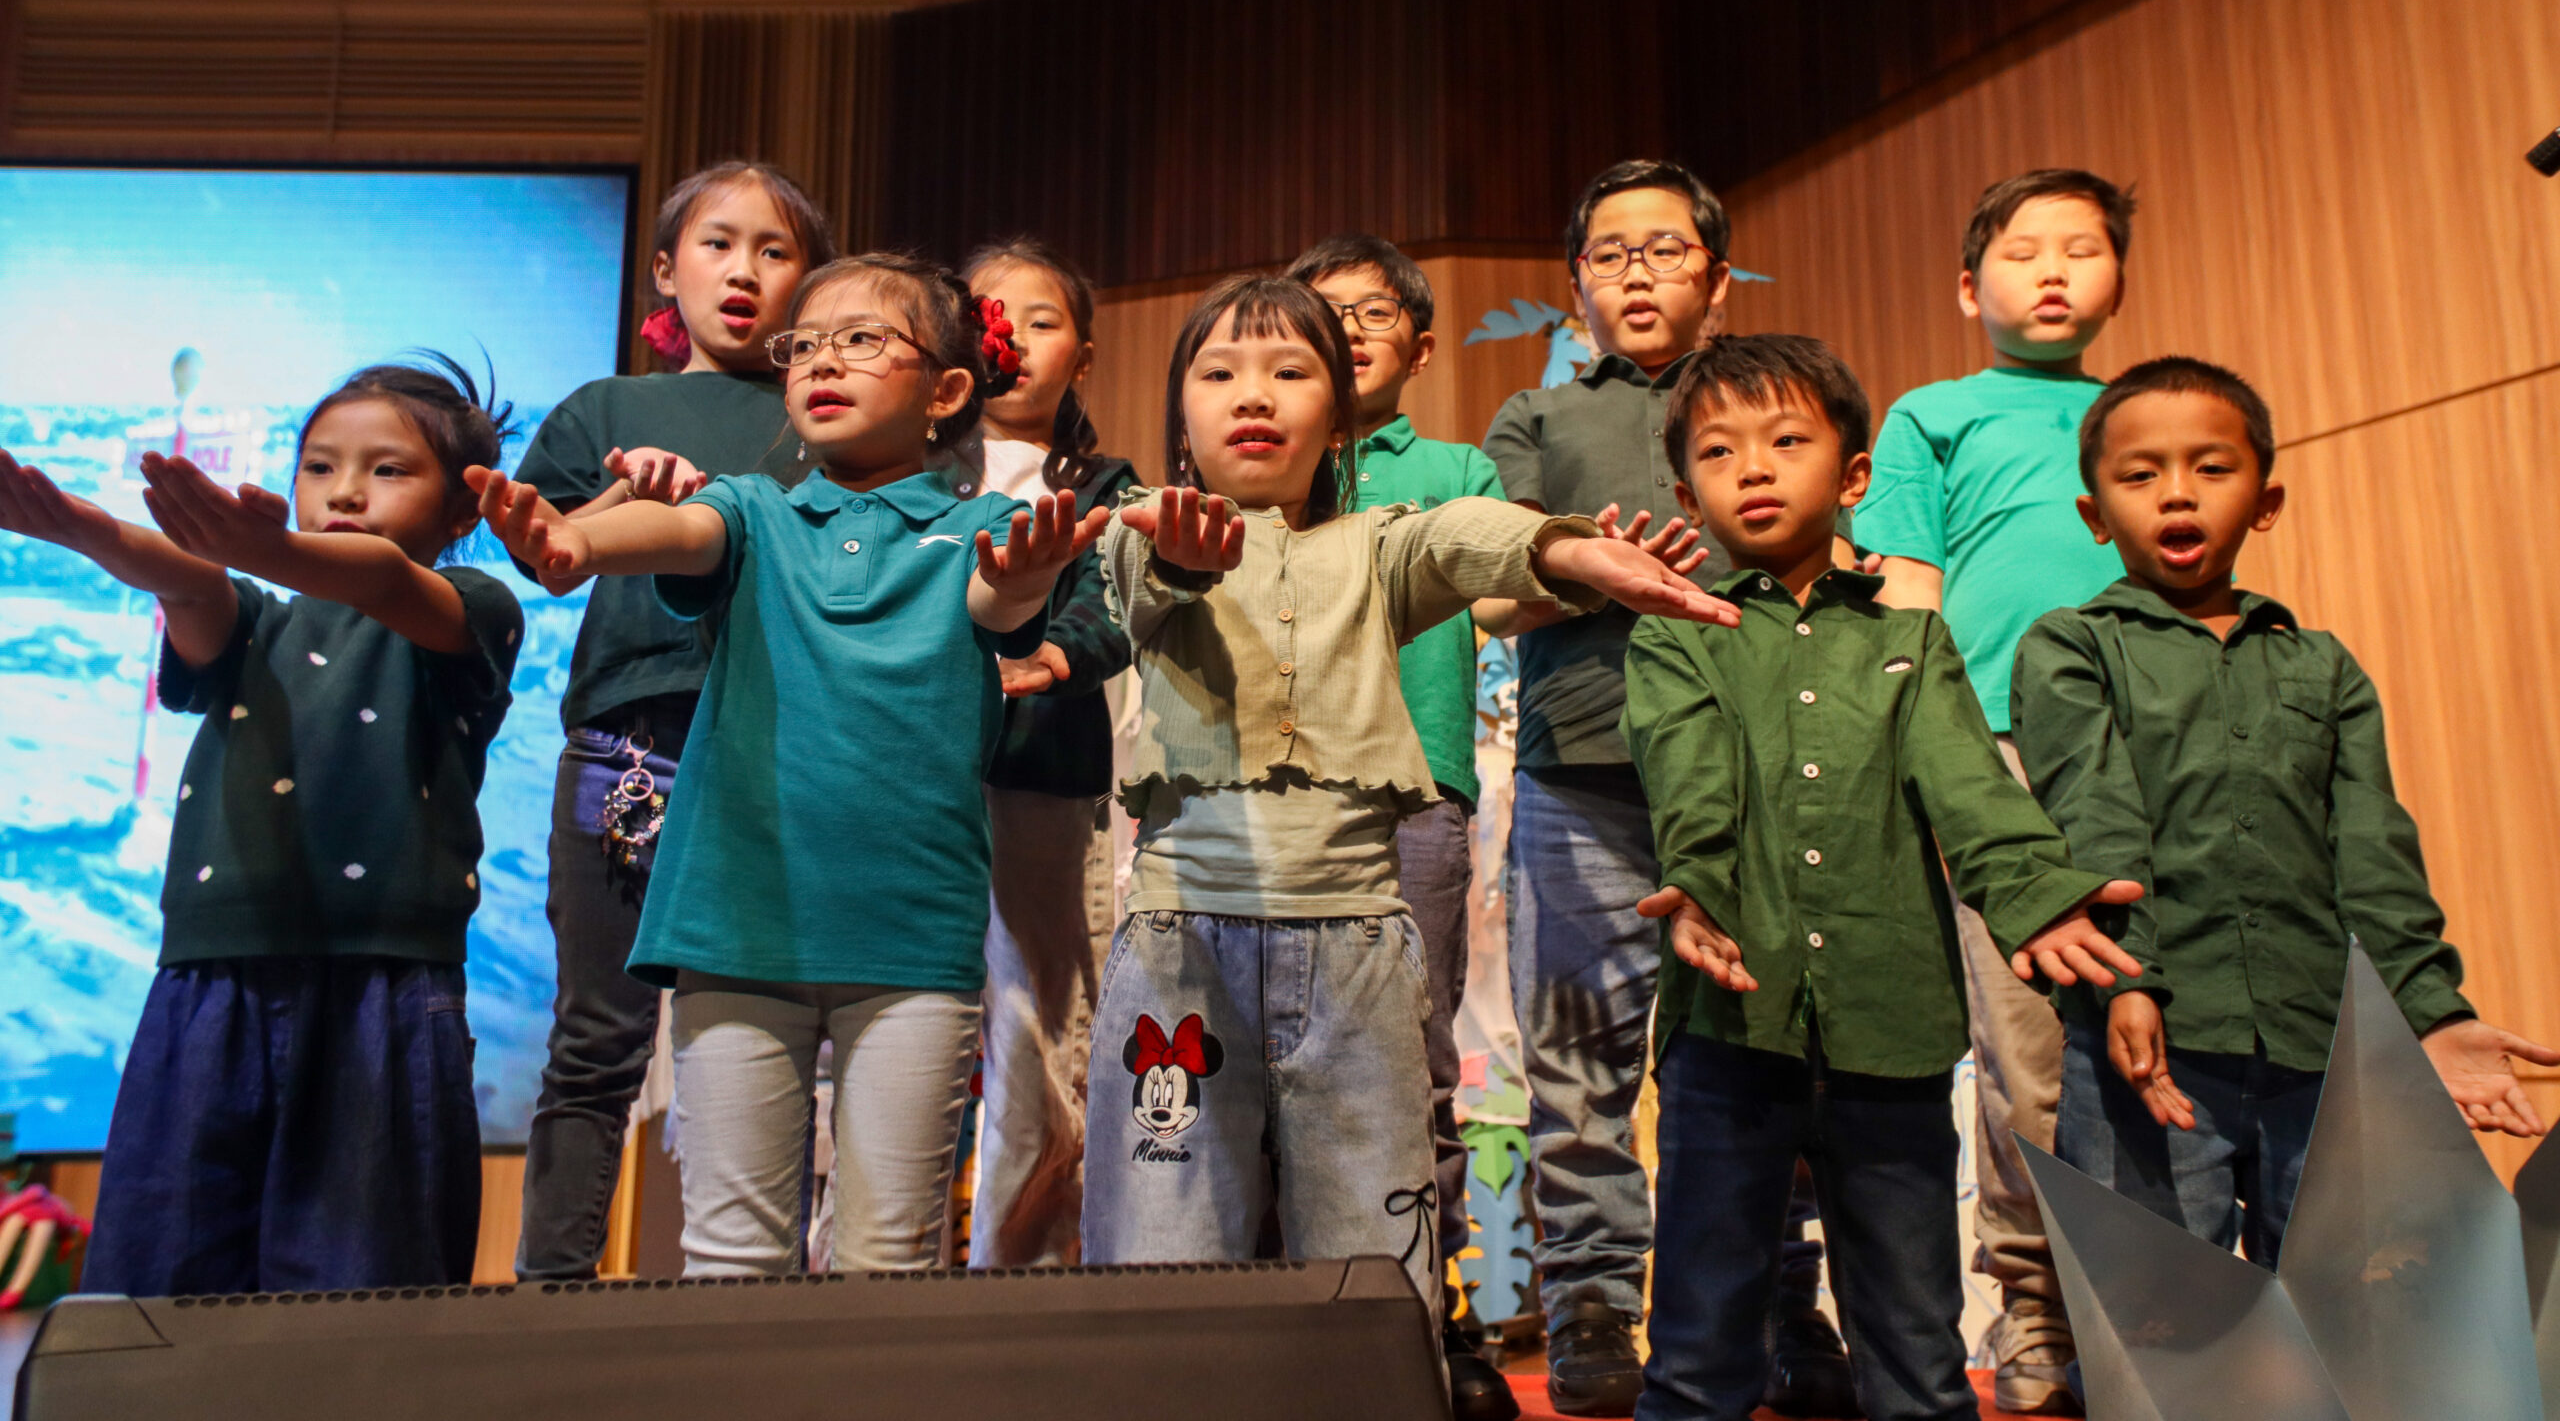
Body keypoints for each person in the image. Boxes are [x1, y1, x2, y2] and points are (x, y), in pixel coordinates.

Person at [1079, 273, 1735, 1325]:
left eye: (1290, 372)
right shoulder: (1141, 529)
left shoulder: (1377, 542)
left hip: (1357, 950)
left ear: (1338, 417)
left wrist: (1567, 548)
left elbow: (1463, 534)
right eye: (1220, 373)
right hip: (1180, 945)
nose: (1254, 394)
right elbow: (1147, 576)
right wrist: (1173, 555)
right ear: (1180, 415)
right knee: (1163, 1254)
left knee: (1374, 1257)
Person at [474, 252, 1104, 1276]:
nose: (822, 361)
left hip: (910, 938)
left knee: (888, 1255)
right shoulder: (752, 508)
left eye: (863, 340)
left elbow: (999, 600)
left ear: (948, 390)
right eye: (804, 344)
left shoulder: (984, 526)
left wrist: (1027, 580)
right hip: (735, 925)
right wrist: (576, 544)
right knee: (729, 1255)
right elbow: (678, 527)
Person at [1620, 332, 2143, 1421]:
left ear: (1854, 474)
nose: (1754, 468)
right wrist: (1698, 887)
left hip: (1890, 1027)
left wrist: (2039, 898)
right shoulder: (1673, 632)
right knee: (1700, 1347)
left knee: (1915, 1354)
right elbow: (1687, 776)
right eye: (1719, 452)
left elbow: (1973, 793)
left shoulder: (1912, 638)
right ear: (1685, 493)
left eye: (1786, 441)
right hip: (1729, 1026)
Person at [2013, 357, 2556, 1279]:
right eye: (2140, 474)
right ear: (2094, 515)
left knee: (2346, 1310)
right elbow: (2093, 825)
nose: (2176, 492)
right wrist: (2129, 982)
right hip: (2146, 1038)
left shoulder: (2323, 664)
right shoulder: (2071, 646)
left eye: (2210, 467)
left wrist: (2430, 1013)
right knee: (2163, 1317)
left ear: (2266, 502)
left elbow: (2375, 853)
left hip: (2317, 1048)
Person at [0, 358, 525, 1294]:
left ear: (461, 512)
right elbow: (190, 583)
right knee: (163, 1276)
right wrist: (84, 529)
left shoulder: (472, 610)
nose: (345, 491)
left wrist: (270, 546)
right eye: (318, 467)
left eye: (387, 469)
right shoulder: (253, 620)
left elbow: (381, 578)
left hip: (381, 986)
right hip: (209, 981)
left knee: (361, 1285)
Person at [1481, 159, 1847, 1419]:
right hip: (1583, 770)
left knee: (1765, 1046)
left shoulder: (1774, 402)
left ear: (1716, 275)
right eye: (1611, 254)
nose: (1637, 275)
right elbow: (1487, 596)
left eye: (1665, 250)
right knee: (1579, 1057)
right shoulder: (1535, 417)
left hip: (1757, 769)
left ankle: (1782, 1301)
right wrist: (1593, 570)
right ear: (1575, 282)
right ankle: (1590, 1305)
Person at [510, 160, 834, 1282]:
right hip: (627, 751)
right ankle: (548, 1298)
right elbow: (540, 553)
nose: (744, 270)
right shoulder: (605, 410)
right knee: (594, 1042)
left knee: (763, 1043)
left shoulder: (824, 422)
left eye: (775, 251)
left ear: (809, 286)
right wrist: (624, 496)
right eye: (717, 243)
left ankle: (746, 1302)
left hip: (780, 751)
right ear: (664, 269)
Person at [1848, 168, 2137, 1412]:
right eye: (2024, 252)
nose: (2054, 270)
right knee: (2026, 1051)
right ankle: (2036, 1312)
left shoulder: (2143, 410)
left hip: (2149, 754)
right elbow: (1905, 594)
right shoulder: (1935, 414)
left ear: (2119, 277)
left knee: (2161, 1026)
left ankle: (2158, 1310)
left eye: (2082, 247)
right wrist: (1935, 759)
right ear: (1969, 289)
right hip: (1998, 759)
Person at [1283, 232, 1519, 1421]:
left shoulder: (1456, 464)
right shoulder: (1267, 456)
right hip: (1278, 794)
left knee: (1415, 1059)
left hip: (1418, 790)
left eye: (1374, 312)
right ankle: (1288, 1303)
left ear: (1420, 348)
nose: (1349, 329)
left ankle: (1433, 1308)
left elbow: (1509, 588)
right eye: (1323, 312)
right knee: (1278, 1052)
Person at [934, 237, 1137, 1267]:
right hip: (910, 780)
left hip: (1045, 783)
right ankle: (863, 1284)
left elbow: (1116, 604)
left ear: (1083, 358)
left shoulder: (1106, 481)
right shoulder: (905, 468)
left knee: (1038, 1039)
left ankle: (1016, 1289)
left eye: (1041, 320)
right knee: (893, 1029)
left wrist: (1057, 655)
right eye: (988, 316)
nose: (1009, 337)